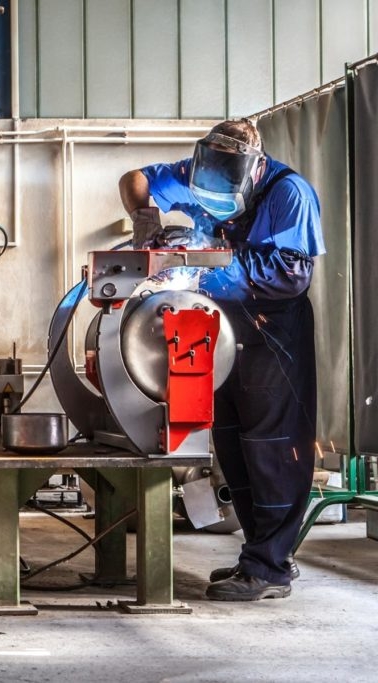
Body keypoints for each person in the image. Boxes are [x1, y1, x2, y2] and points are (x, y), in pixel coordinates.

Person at [118, 119, 324, 601]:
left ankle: (271, 568)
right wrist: (144, 215)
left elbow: (292, 274)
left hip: (274, 333)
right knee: (233, 445)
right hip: (224, 329)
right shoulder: (197, 166)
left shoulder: (289, 192)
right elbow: (135, 180)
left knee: (271, 448)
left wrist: (204, 263)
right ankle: (258, 555)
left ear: (251, 172)